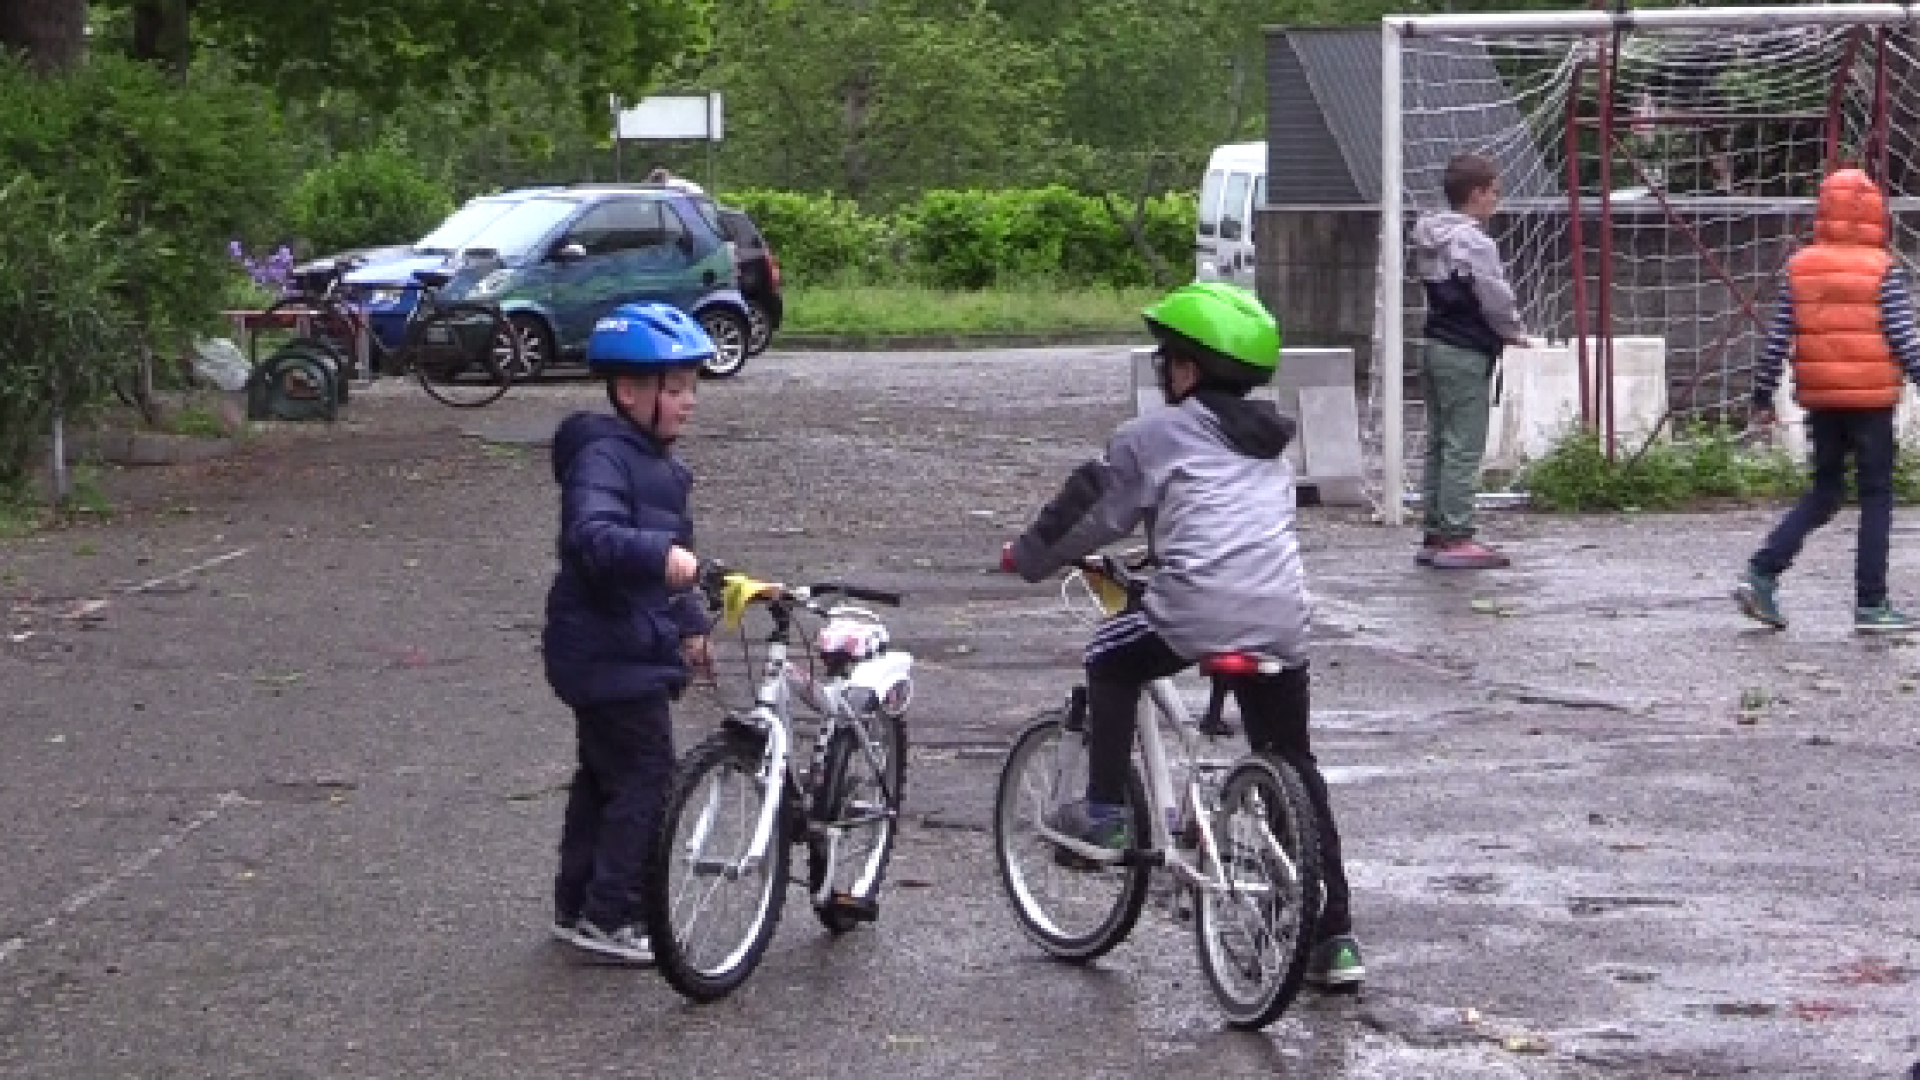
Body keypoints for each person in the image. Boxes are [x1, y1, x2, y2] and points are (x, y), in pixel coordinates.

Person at [1004, 281, 1363, 991]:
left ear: (1189, 369)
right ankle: (1335, 939)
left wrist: (1030, 556)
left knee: (1110, 657)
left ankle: (1105, 813)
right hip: (1282, 615)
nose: (1164, 371)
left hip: (1196, 608)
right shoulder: (1271, 445)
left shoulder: (1155, 435)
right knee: (1291, 760)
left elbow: (1092, 507)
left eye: (1168, 359)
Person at [542, 302, 717, 964]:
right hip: (605, 649)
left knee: (604, 778)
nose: (689, 400)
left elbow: (676, 562)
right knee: (647, 777)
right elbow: (591, 535)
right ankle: (613, 916)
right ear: (629, 391)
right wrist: (658, 555)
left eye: (692, 387)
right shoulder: (602, 459)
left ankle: (578, 904)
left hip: (625, 645)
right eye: (677, 387)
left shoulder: (662, 468)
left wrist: (691, 625)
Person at [1736, 168, 1920, 634]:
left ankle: (1762, 573)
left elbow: (1777, 340)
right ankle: (1871, 604)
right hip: (1872, 402)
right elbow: (1904, 339)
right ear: (1874, 213)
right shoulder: (1882, 269)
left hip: (1821, 400)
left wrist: (1762, 395)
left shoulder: (1800, 268)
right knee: (1876, 495)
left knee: (1825, 492)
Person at [1411, 151, 1532, 569]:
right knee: (1464, 444)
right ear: (1476, 193)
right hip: (1465, 350)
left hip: (1435, 345)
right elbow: (1493, 295)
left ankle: (1435, 529)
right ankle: (1457, 533)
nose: (1497, 199)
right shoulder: (1474, 243)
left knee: (1439, 441)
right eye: (1494, 191)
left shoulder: (1429, 236)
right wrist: (1512, 330)